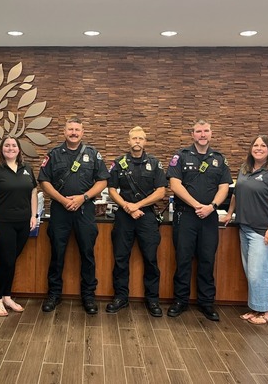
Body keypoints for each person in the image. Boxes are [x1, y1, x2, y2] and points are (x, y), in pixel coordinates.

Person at [38, 117, 110, 314]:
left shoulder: (93, 154)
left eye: (77, 130)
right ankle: (54, 294)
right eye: (70, 129)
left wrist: (83, 197)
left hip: (85, 210)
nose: (73, 132)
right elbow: (44, 182)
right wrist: (63, 200)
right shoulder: (53, 154)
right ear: (64, 131)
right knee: (57, 253)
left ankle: (88, 296)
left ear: (82, 132)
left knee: (87, 254)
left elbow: (103, 181)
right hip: (60, 211)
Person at [166, 119, 232, 321]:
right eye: (198, 131)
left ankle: (206, 303)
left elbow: (224, 188)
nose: (202, 134)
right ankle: (180, 301)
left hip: (209, 217)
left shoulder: (219, 159)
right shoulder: (181, 156)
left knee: (207, 260)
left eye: (206, 131)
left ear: (211, 133)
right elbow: (175, 185)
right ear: (192, 134)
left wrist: (211, 207)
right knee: (183, 259)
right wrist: (197, 206)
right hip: (186, 215)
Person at [223, 135, 268, 325]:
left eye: (263, 145)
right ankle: (257, 308)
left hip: (264, 231)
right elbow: (236, 193)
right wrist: (229, 213)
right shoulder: (245, 169)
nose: (258, 148)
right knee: (252, 272)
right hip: (245, 227)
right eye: (255, 145)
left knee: (263, 271)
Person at [106, 126, 167, 317]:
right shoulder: (118, 163)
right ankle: (120, 297)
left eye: (141, 138)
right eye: (134, 138)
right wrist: (127, 207)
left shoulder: (155, 164)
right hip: (124, 215)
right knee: (121, 258)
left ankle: (152, 300)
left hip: (147, 216)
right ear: (128, 140)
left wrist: (137, 205)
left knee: (150, 259)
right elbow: (112, 189)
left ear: (145, 141)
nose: (137, 141)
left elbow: (161, 191)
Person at [0, 136, 38, 317]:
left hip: (23, 223)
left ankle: (7, 296)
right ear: (1, 149)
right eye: (7, 145)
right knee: (6, 262)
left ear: (19, 149)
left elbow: (33, 193)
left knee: (11, 261)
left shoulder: (27, 169)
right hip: (2, 224)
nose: (10, 148)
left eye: (14, 145)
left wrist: (33, 215)